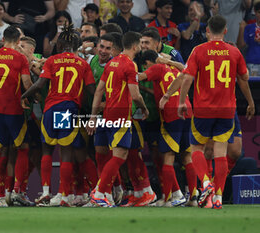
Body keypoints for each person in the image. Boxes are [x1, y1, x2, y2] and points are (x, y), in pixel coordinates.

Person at [159, 15, 255, 209]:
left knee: (197, 149)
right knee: (220, 152)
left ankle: (206, 183)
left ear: (207, 31)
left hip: (203, 109)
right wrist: (251, 102)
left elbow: (186, 78)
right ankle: (218, 197)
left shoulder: (199, 50)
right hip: (227, 109)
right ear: (226, 31)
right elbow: (244, 78)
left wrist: (180, 101)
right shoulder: (234, 52)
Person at [21, 24, 96, 207]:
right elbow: (92, 90)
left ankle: (46, 192)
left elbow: (39, 85)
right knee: (67, 153)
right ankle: (64, 195)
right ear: (77, 47)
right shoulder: (83, 64)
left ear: (60, 46)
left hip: (50, 108)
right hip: (68, 109)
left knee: (47, 150)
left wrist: (23, 96)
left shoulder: (52, 60)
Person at [87, 31, 149, 207]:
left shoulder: (111, 63)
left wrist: (93, 116)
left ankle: (103, 192)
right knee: (120, 155)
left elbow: (99, 90)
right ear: (135, 46)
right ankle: (100, 192)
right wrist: (144, 109)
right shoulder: (130, 65)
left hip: (107, 115)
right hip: (121, 115)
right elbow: (135, 95)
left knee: (112, 155)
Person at [0, 26, 32, 207]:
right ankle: (17, 191)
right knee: (23, 149)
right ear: (19, 41)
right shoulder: (21, 58)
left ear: (3, 39)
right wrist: (31, 97)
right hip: (14, 112)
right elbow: (26, 83)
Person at [140, 49, 197, 207]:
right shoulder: (173, 68)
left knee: (168, 156)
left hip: (172, 113)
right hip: (187, 110)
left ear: (147, 63)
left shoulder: (156, 67)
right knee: (187, 156)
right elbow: (183, 70)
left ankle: (167, 199)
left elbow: (139, 77)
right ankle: (193, 198)